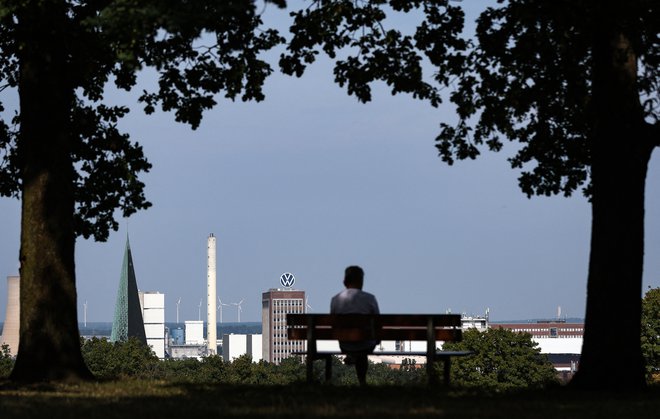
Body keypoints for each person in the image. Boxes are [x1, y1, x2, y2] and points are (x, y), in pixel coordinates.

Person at [330, 265, 380, 385]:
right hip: (366, 343)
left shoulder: (336, 299)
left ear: (344, 282)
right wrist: (377, 339)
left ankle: (351, 355)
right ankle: (362, 381)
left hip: (345, 344)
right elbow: (378, 322)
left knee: (354, 344)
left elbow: (333, 324)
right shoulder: (370, 299)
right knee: (362, 348)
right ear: (361, 281)